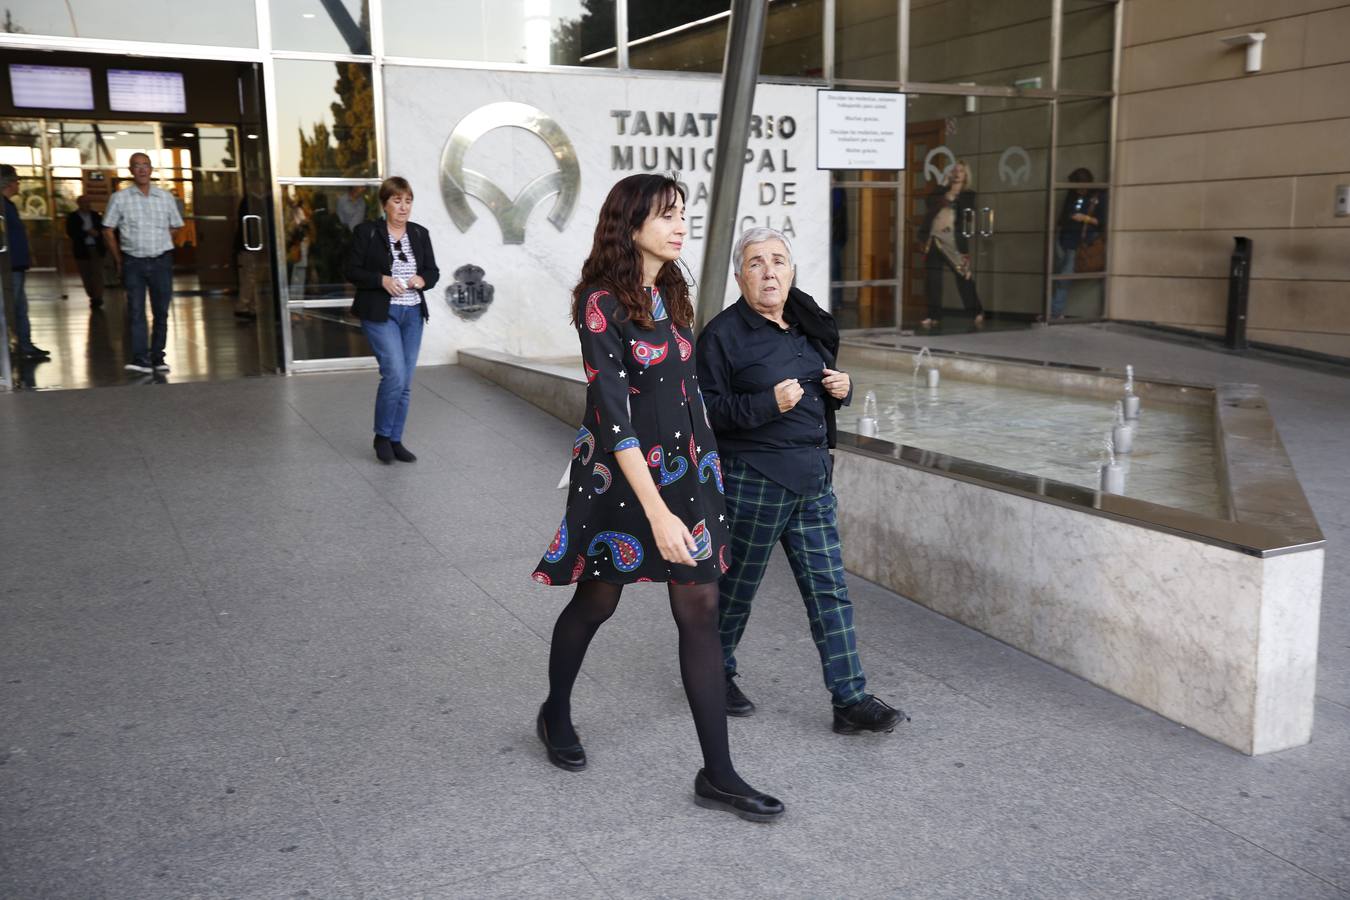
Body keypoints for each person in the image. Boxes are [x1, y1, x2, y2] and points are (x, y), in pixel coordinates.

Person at [532, 174, 783, 823]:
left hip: (686, 475)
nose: (679, 225)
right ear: (631, 221)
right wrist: (658, 512)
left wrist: (703, 483)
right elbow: (612, 419)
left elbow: (685, 389)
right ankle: (554, 711)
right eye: (667, 215)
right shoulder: (600, 304)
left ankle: (718, 775)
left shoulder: (670, 291)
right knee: (597, 599)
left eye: (682, 214)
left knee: (698, 607)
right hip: (622, 482)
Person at [697, 226, 908, 736]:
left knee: (829, 589)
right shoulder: (722, 337)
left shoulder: (808, 322)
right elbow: (705, 412)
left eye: (778, 261)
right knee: (738, 589)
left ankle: (850, 699)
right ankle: (714, 674)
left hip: (813, 478)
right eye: (756, 263)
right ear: (739, 276)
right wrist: (766, 404)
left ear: (791, 270)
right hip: (754, 478)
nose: (769, 271)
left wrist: (844, 388)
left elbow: (823, 389)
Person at [345, 176, 438, 465]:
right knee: (395, 374)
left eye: (408, 201)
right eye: (397, 201)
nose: (403, 207)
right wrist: (381, 279)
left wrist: (423, 279)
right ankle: (381, 436)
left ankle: (396, 439)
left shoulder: (420, 234)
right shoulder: (367, 232)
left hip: (412, 314)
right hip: (381, 313)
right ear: (385, 204)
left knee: (406, 381)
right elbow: (351, 270)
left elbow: (432, 271)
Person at [103, 151, 183, 374]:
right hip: (133, 263)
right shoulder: (119, 198)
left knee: (161, 311)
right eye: (137, 166)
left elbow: (176, 225)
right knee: (136, 311)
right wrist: (119, 259)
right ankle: (140, 359)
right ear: (130, 171)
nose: (142, 169)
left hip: (161, 261)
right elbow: (108, 229)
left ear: (151, 169)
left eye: (145, 165)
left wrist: (162, 241)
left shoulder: (165, 197)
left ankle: (158, 357)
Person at [918, 160, 984, 328]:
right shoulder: (941, 190)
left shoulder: (968, 194)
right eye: (954, 170)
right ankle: (933, 315)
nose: (957, 173)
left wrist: (954, 194)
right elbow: (929, 202)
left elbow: (967, 212)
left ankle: (976, 311)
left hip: (953, 241)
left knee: (963, 276)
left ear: (965, 175)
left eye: (960, 171)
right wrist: (945, 185)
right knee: (933, 279)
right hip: (934, 238)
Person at [1, 165, 48, 362]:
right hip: (8, 266)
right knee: (12, 307)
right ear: (8, 183)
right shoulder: (2, 206)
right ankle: (13, 346)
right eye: (16, 180)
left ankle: (24, 345)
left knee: (21, 307)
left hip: (17, 265)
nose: (19, 183)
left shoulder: (8, 205)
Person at [1051, 167, 1108, 320]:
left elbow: (1101, 222)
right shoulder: (1072, 194)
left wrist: (1084, 218)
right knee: (1058, 277)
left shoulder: (1098, 196)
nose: (1077, 189)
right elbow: (1063, 216)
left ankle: (1054, 313)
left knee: (1064, 278)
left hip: (1079, 243)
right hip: (1064, 239)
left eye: (1078, 186)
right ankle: (1054, 311)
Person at [65, 195, 106, 309]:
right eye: (84, 202)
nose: (87, 205)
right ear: (79, 204)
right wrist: (86, 232)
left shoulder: (95, 216)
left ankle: (98, 297)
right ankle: (92, 294)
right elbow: (71, 232)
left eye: (88, 202)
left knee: (97, 273)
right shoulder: (73, 217)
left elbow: (102, 229)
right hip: (82, 249)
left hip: (96, 248)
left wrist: (97, 233)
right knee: (86, 274)